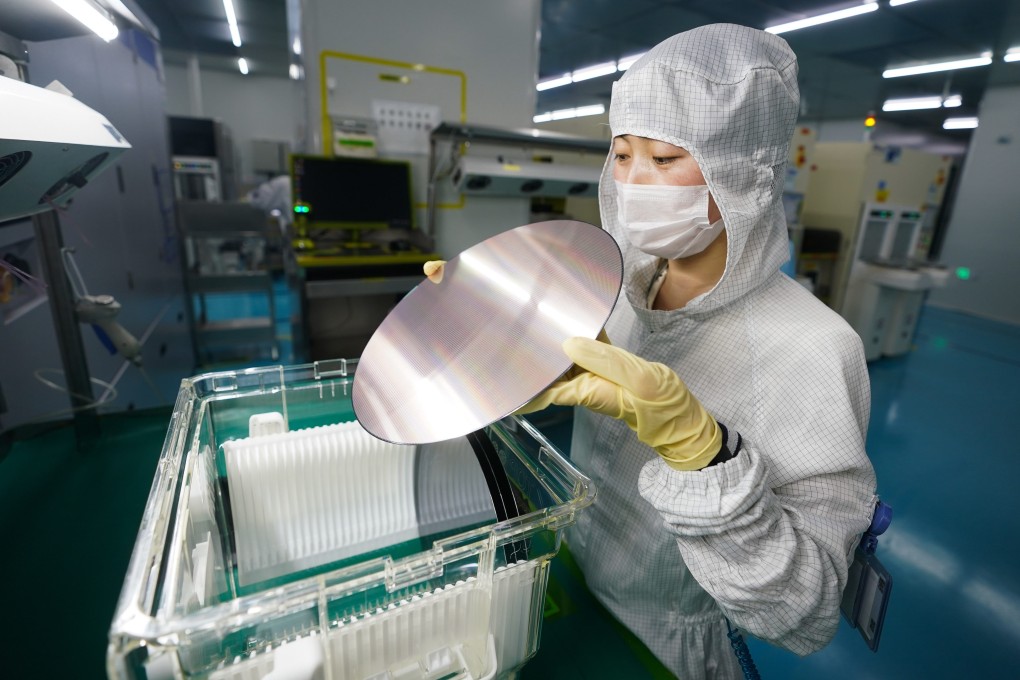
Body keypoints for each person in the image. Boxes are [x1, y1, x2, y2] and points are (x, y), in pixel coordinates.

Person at [428, 24, 877, 679]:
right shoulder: (613, 292)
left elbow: (804, 611)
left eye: (665, 160)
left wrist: (704, 453)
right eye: (623, 155)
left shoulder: (813, 348)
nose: (636, 182)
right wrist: (499, 352)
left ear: (745, 171)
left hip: (666, 647)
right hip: (572, 584)